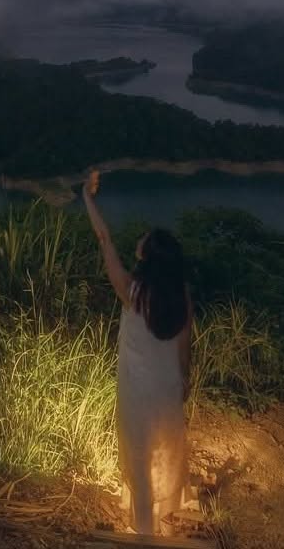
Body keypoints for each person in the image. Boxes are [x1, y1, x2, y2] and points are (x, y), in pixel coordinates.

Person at [82, 169, 192, 535]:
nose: (141, 237)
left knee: (140, 452)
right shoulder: (180, 295)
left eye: (145, 238)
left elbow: (103, 238)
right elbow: (184, 346)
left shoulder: (132, 292)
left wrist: (87, 197)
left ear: (148, 256)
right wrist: (183, 383)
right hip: (168, 386)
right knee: (167, 448)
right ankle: (166, 522)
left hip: (137, 388)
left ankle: (143, 531)